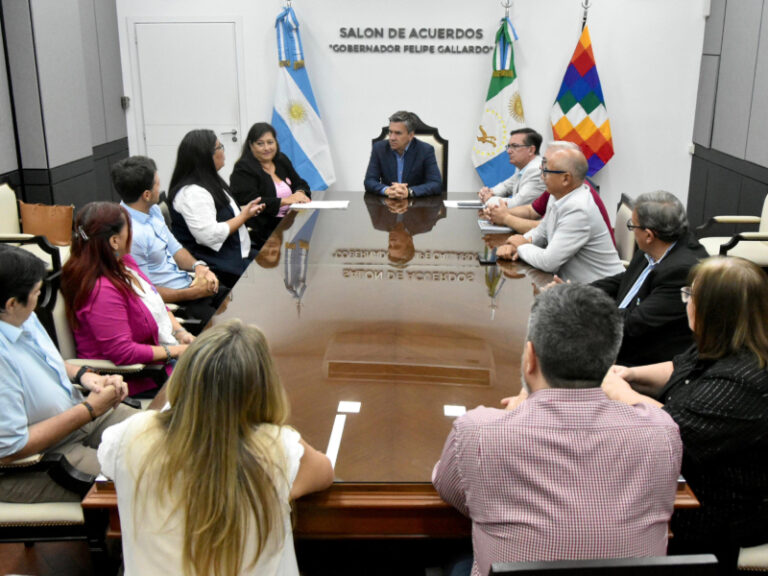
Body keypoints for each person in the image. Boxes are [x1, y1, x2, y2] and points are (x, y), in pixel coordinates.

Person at [432, 283, 682, 576]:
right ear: (611, 361)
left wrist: (509, 419)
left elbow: (448, 488)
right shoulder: (662, 431)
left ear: (530, 358)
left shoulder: (478, 433)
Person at [98, 319, 334, 576]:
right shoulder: (279, 446)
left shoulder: (128, 434)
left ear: (185, 378)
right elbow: (324, 472)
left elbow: (111, 465)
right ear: (264, 387)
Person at [602, 256, 768, 575]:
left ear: (714, 310)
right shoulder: (725, 342)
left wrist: (617, 391)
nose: (686, 302)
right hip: (696, 487)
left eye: (690, 295)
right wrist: (629, 374)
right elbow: (679, 368)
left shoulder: (743, 381)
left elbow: (669, 430)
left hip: (721, 516)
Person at [0, 245, 136, 503]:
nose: (39, 299)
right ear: (11, 303)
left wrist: (86, 375)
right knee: (144, 475)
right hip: (40, 460)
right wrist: (90, 409)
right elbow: (11, 449)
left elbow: (46, 361)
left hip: (77, 417)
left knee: (162, 434)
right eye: (37, 293)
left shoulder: (19, 316)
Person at [61, 202, 192, 396]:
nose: (132, 233)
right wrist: (176, 351)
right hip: (137, 381)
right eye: (129, 228)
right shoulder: (101, 291)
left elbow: (155, 303)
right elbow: (123, 352)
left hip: (162, 364)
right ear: (115, 241)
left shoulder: (123, 262)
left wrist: (181, 333)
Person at [591, 191, 708, 366]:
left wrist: (584, 307)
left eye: (633, 226)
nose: (632, 230)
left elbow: (634, 323)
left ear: (648, 235)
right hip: (620, 334)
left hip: (643, 359)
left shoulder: (681, 272)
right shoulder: (655, 247)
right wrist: (578, 291)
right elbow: (625, 279)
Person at [112, 155, 227, 331]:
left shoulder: (153, 210)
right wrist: (191, 293)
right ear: (147, 195)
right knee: (224, 327)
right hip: (176, 303)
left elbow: (175, 249)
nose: (160, 189)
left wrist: (198, 267)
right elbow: (144, 292)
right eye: (157, 184)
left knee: (233, 298)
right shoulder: (130, 234)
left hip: (188, 284)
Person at [497, 142, 624, 283]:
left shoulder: (579, 209)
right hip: (573, 286)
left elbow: (548, 262)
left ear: (565, 179)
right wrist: (517, 244)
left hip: (601, 290)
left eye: (546, 171)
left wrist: (521, 246)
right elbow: (542, 232)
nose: (542, 176)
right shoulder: (558, 195)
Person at [168, 129, 264, 288]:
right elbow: (209, 235)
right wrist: (243, 217)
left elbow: (220, 213)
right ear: (205, 156)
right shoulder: (192, 193)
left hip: (236, 255)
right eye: (219, 147)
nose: (223, 152)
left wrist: (244, 211)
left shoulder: (209, 181)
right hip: (218, 266)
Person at [230, 122, 311, 249]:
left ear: (276, 143)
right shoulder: (243, 168)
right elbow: (251, 201)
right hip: (262, 230)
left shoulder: (281, 160)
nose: (266, 148)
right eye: (260, 144)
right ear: (251, 145)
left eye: (270, 142)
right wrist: (285, 201)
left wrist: (300, 193)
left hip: (290, 223)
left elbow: (300, 183)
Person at [364, 110, 442, 198]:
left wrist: (409, 192)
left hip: (415, 204)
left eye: (398, 133)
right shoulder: (379, 148)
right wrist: (386, 190)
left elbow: (436, 184)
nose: (392, 138)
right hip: (387, 201)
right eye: (390, 132)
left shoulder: (425, 150)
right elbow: (369, 181)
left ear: (411, 135)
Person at [478, 127, 546, 207]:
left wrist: (488, 199)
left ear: (531, 150)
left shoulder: (537, 170)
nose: (508, 151)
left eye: (515, 146)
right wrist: (489, 192)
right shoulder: (522, 168)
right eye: (509, 146)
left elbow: (516, 204)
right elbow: (506, 187)